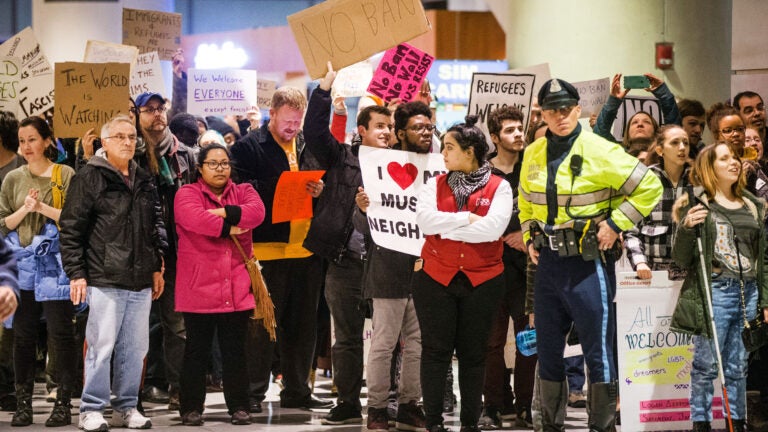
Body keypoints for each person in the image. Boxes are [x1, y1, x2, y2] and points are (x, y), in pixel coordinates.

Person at [518, 78, 662, 432]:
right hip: (549, 264)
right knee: (548, 352)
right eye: (552, 110)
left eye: (566, 109)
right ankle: (549, 425)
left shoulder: (601, 149)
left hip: (587, 264)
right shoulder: (534, 152)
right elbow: (525, 199)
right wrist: (528, 234)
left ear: (578, 111)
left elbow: (651, 186)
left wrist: (614, 223)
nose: (560, 116)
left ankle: (603, 427)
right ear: (543, 114)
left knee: (597, 353)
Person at [60, 115, 167, 432]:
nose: (127, 141)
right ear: (103, 142)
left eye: (132, 136)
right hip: (105, 275)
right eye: (119, 136)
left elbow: (155, 224)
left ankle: (126, 407)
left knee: (136, 349)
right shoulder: (90, 176)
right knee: (101, 346)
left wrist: (158, 264)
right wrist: (77, 273)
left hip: (141, 278)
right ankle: (91, 409)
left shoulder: (144, 177)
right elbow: (70, 228)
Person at [230, 86, 330, 412]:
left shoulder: (307, 144)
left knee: (303, 328)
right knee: (260, 328)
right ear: (271, 113)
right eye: (287, 121)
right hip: (266, 251)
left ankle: (298, 390)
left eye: (297, 122)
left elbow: (325, 181)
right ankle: (253, 393)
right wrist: (284, 185)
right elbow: (238, 191)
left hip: (306, 250)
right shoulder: (247, 147)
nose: (292, 128)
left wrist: (318, 189)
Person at [302, 63, 392, 425]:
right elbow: (314, 131)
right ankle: (349, 401)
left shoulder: (404, 164)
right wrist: (325, 89)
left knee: (392, 340)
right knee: (347, 339)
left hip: (388, 264)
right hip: (346, 262)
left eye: (389, 126)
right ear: (362, 131)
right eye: (379, 127)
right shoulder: (342, 159)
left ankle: (387, 403)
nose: (386, 132)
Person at [413, 115, 513, 432]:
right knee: (435, 352)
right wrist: (468, 218)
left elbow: (492, 230)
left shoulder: (501, 186)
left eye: (449, 147)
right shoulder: (434, 184)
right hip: (434, 279)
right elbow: (425, 223)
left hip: (483, 281)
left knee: (473, 355)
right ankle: (433, 424)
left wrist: (449, 225)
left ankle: (470, 424)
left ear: (469, 151)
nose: (443, 153)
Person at [670, 142, 768, 432]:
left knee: (739, 365)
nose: (734, 162)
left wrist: (764, 300)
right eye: (724, 159)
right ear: (709, 168)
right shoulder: (698, 204)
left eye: (734, 158)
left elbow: (763, 258)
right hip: (715, 292)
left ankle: (736, 422)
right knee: (706, 365)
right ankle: (701, 423)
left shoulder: (754, 204)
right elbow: (681, 258)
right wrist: (686, 228)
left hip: (747, 292)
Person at [354, 101, 433, 431]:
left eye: (429, 127)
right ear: (402, 132)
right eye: (418, 128)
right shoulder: (378, 164)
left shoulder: (436, 165)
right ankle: (376, 408)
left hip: (425, 267)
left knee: (417, 342)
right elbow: (361, 227)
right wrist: (362, 210)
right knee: (384, 342)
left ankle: (409, 404)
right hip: (387, 267)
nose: (426, 133)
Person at [174, 144, 265, 426]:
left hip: (236, 283)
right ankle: (190, 407)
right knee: (196, 350)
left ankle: (239, 405)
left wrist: (223, 214)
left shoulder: (245, 190)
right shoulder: (186, 193)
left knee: (235, 349)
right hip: (198, 285)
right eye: (212, 164)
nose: (220, 169)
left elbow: (257, 213)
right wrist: (230, 227)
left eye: (224, 163)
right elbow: (191, 218)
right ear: (200, 168)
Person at [0, 116, 77, 427]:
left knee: (61, 335)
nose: (26, 146)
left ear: (47, 141)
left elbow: (74, 219)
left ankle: (63, 403)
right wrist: (25, 209)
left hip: (56, 265)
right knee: (22, 336)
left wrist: (42, 208)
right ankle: (23, 404)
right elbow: (3, 223)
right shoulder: (12, 179)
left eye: (32, 139)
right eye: (22, 140)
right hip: (22, 265)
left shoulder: (65, 174)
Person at [134, 91, 195, 411]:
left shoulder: (185, 154)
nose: (157, 114)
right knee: (135, 326)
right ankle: (133, 392)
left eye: (161, 109)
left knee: (177, 325)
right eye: (149, 110)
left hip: (177, 250)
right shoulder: (129, 151)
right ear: (137, 114)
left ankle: (179, 389)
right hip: (137, 250)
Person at [478, 106, 535, 429]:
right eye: (510, 130)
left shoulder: (533, 169)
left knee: (530, 339)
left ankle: (525, 405)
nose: (518, 134)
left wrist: (525, 236)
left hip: (528, 269)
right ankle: (494, 406)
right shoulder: (482, 174)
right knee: (491, 341)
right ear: (495, 137)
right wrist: (501, 237)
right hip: (490, 267)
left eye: (519, 128)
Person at [624, 124, 692, 281]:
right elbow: (630, 228)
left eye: (686, 142)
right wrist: (639, 262)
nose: (682, 147)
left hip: (691, 272)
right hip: (652, 270)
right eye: (675, 143)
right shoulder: (644, 180)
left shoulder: (698, 180)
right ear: (660, 150)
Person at [593, 73, 681, 155]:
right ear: (627, 133)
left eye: (646, 122)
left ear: (656, 133)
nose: (640, 124)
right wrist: (613, 101)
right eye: (634, 122)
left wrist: (663, 93)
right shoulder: (619, 154)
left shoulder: (664, 155)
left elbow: (675, 131)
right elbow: (599, 135)